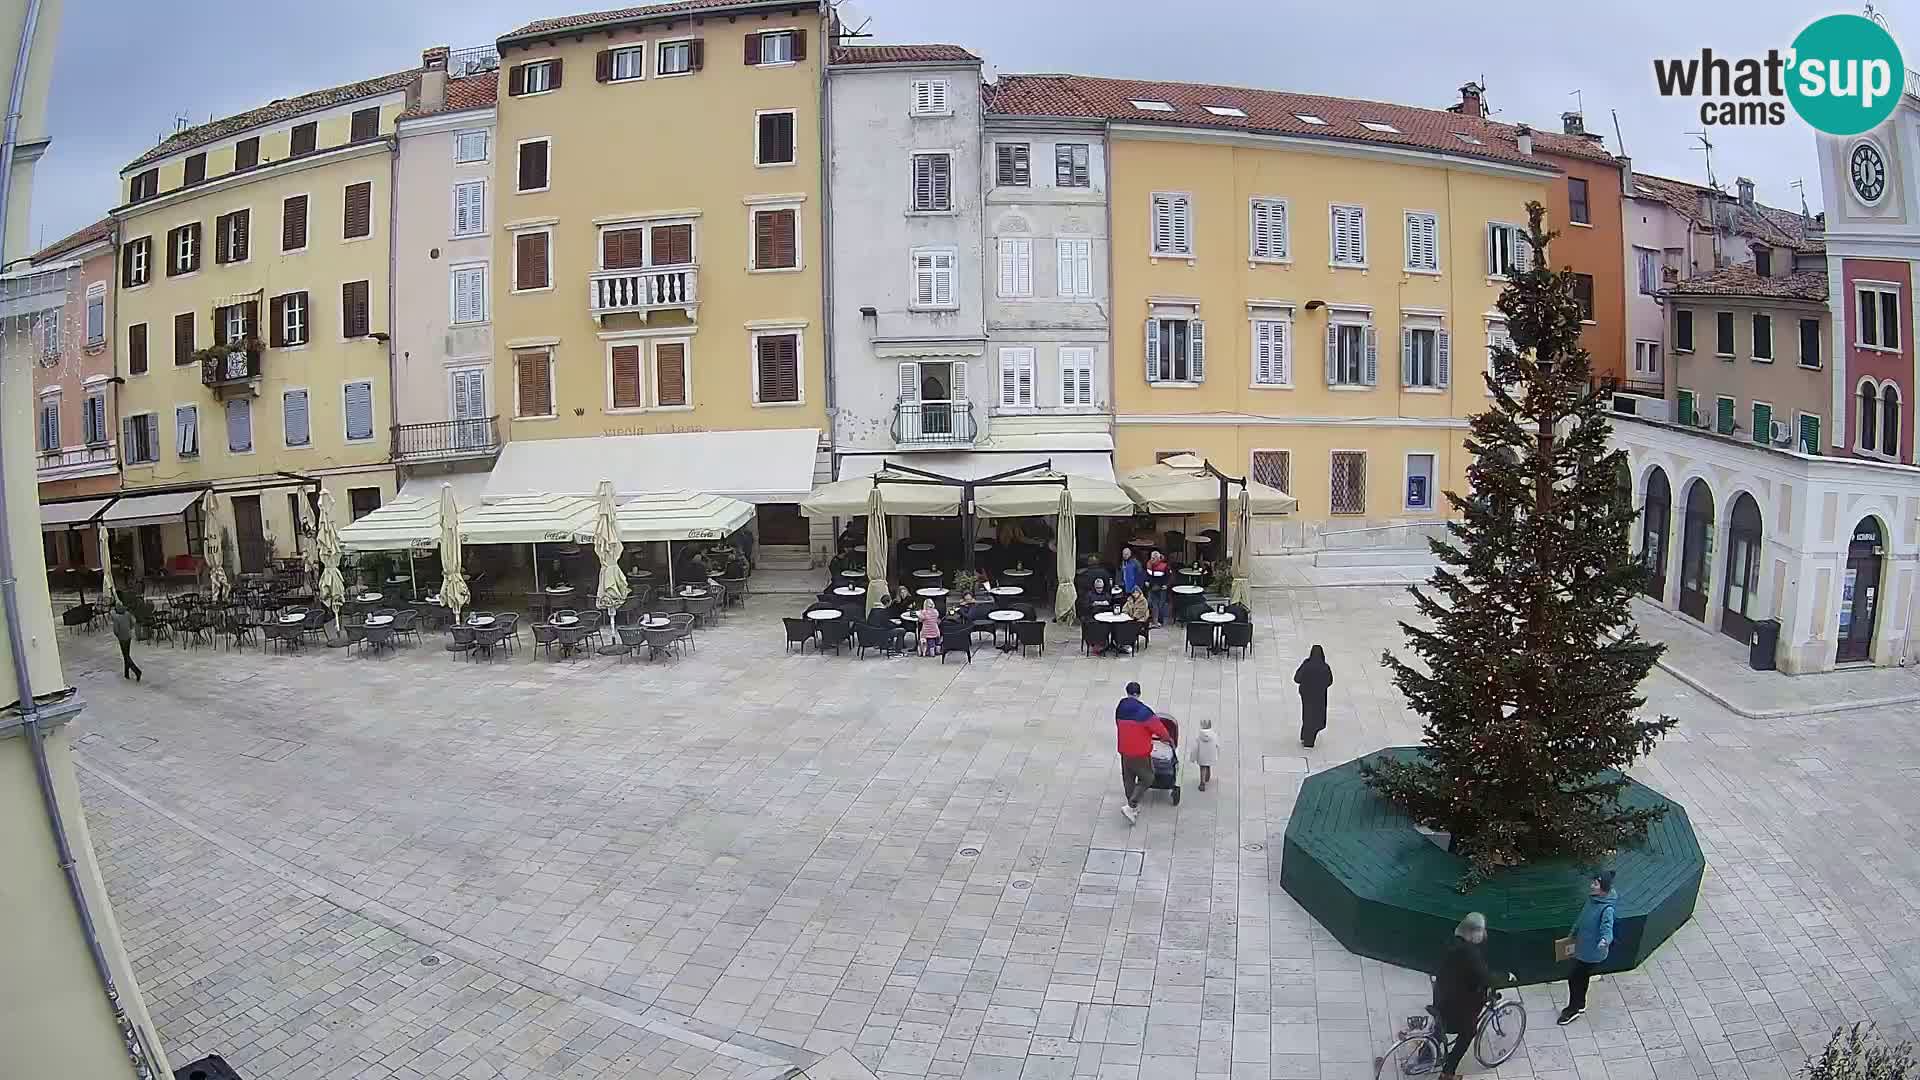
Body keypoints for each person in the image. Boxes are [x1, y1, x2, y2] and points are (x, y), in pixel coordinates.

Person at [1433, 913, 1513, 1080]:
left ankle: (1425, 1053)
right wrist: (1506, 977)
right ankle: (1448, 1073)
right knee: (1468, 1032)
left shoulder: (1450, 942)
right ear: (1473, 933)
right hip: (1458, 1004)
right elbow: (1485, 977)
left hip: (1441, 994)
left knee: (1440, 1023)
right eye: (1481, 931)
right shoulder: (1470, 954)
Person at [1559, 870, 1617, 1025]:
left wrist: (1605, 940)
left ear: (1603, 888)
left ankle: (1572, 1009)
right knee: (1581, 977)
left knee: (1574, 977)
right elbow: (1582, 918)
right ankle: (1580, 1004)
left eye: (1595, 884)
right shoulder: (1593, 899)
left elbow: (1607, 928)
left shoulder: (1607, 909)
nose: (1591, 885)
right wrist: (1572, 933)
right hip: (1582, 946)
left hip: (1592, 952)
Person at [1114, 682, 1170, 824]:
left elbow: (1118, 723)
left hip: (1124, 749)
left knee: (1128, 778)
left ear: (1127, 692)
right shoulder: (1144, 711)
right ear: (1138, 694)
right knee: (1148, 778)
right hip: (1140, 752)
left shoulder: (1120, 707)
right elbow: (1159, 730)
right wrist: (1167, 739)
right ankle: (1131, 804)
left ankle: (1131, 807)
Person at [1294, 644, 1334, 748]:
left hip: (1307, 695)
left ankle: (1305, 736)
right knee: (1317, 717)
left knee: (1307, 715)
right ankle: (1309, 738)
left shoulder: (1306, 664)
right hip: (1319, 696)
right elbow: (1329, 681)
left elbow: (1297, 678)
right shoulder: (1325, 667)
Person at [110, 602, 141, 682]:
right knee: (127, 655)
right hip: (128, 637)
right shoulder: (127, 614)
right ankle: (126, 673)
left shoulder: (116, 618)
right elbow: (132, 624)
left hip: (122, 639)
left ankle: (137, 671)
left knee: (126, 656)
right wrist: (128, 629)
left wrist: (119, 636)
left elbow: (116, 631)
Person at [1145, 550, 1172, 625]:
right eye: (1151, 558)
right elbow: (1147, 574)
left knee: (1161, 605)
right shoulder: (1149, 564)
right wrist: (1146, 581)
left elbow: (1170, 577)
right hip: (1151, 587)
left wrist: (1166, 585)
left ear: (1158, 558)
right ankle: (1152, 618)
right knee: (1150, 602)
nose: (1151, 559)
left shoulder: (1165, 566)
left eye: (1153, 558)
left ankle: (1160, 621)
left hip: (1161, 587)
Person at [1193, 715, 1219, 790]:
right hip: (1210, 755)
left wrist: (1193, 758)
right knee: (1208, 766)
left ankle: (1202, 783)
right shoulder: (1214, 735)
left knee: (1202, 768)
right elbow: (1217, 745)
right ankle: (1207, 777)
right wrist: (1217, 754)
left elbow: (1195, 748)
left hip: (1202, 756)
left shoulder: (1199, 737)